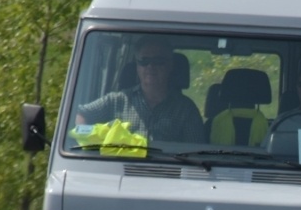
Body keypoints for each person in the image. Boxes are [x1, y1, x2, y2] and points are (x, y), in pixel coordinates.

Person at [74, 37, 205, 144]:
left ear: (170, 65)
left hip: (168, 168)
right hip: (119, 167)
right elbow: (81, 114)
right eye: (144, 61)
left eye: (158, 61)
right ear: (137, 66)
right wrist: (94, 141)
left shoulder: (186, 109)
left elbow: (196, 152)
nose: (150, 66)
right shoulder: (117, 101)